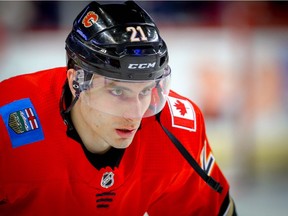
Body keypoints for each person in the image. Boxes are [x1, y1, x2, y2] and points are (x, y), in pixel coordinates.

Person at [0, 1, 237, 215]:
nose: (135, 113)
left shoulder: (179, 132)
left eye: (144, 91)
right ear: (77, 83)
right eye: (117, 91)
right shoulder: (7, 123)